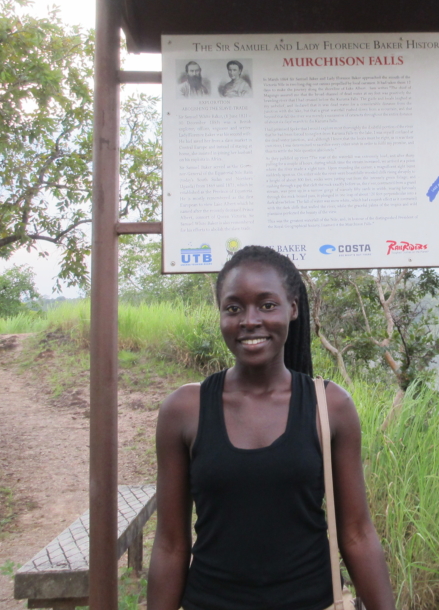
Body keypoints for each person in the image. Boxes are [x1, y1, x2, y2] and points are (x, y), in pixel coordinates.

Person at [147, 246, 395, 610]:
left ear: (292, 308)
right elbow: (170, 545)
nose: (250, 320)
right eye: (234, 308)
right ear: (220, 315)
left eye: (267, 305)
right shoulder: (184, 411)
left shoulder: (330, 407)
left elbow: (357, 535)